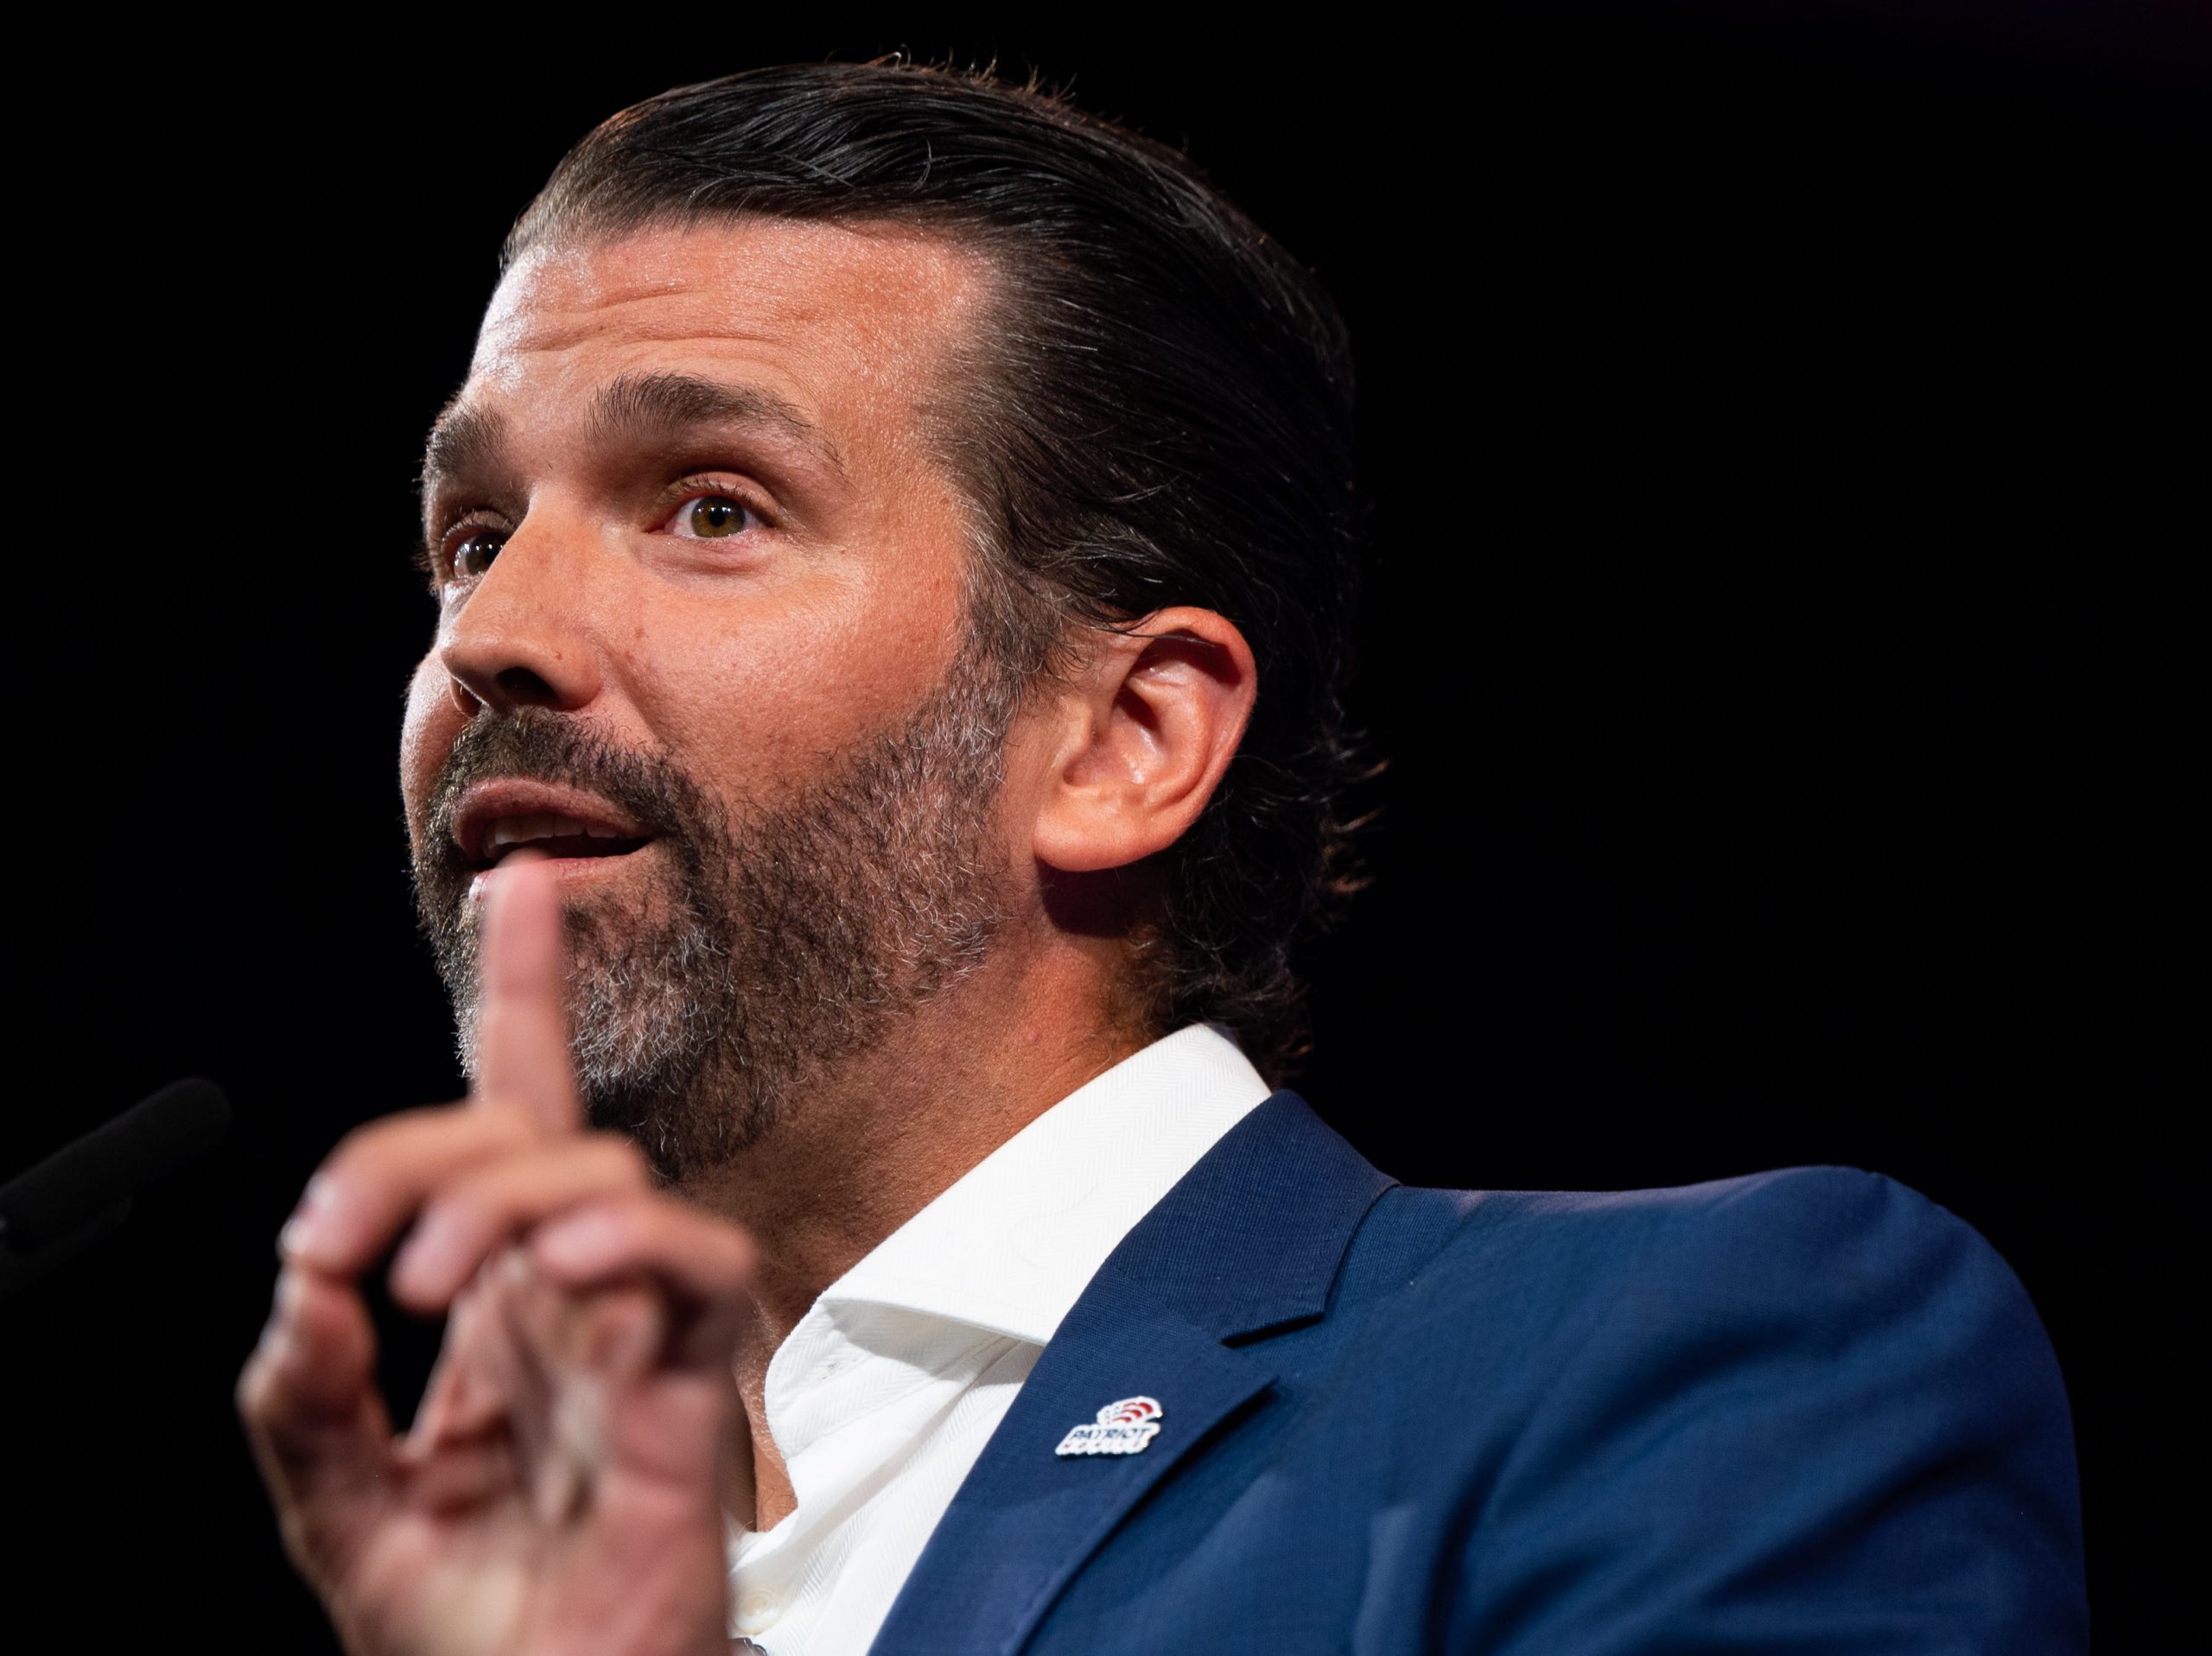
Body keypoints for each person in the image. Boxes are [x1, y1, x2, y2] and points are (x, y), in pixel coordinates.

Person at [237, 61, 2087, 1655]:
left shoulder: (1689, 1367)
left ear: (1124, 741)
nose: (492, 635)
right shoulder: (469, 1546)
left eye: (713, 506)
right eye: (471, 535)